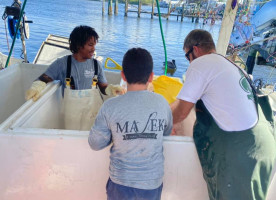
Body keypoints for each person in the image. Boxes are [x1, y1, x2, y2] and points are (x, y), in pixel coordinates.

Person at [171, 29, 276, 200]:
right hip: (264, 146)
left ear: (195, 50)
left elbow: (182, 112)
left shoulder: (201, 64)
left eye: (187, 56)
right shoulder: (231, 66)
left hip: (242, 154)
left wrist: (160, 125)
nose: (189, 62)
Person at [88, 47, 173, 200]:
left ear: (123, 76)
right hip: (151, 183)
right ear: (151, 77)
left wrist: (115, 135)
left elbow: (95, 144)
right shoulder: (162, 103)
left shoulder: (110, 106)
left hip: (120, 183)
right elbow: (166, 132)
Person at [25, 25, 124, 130]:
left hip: (93, 114)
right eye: (90, 45)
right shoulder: (62, 64)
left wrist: (111, 88)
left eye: (94, 45)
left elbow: (104, 88)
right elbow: (43, 79)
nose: (93, 49)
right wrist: (36, 87)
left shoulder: (96, 65)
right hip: (71, 116)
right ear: (78, 45)